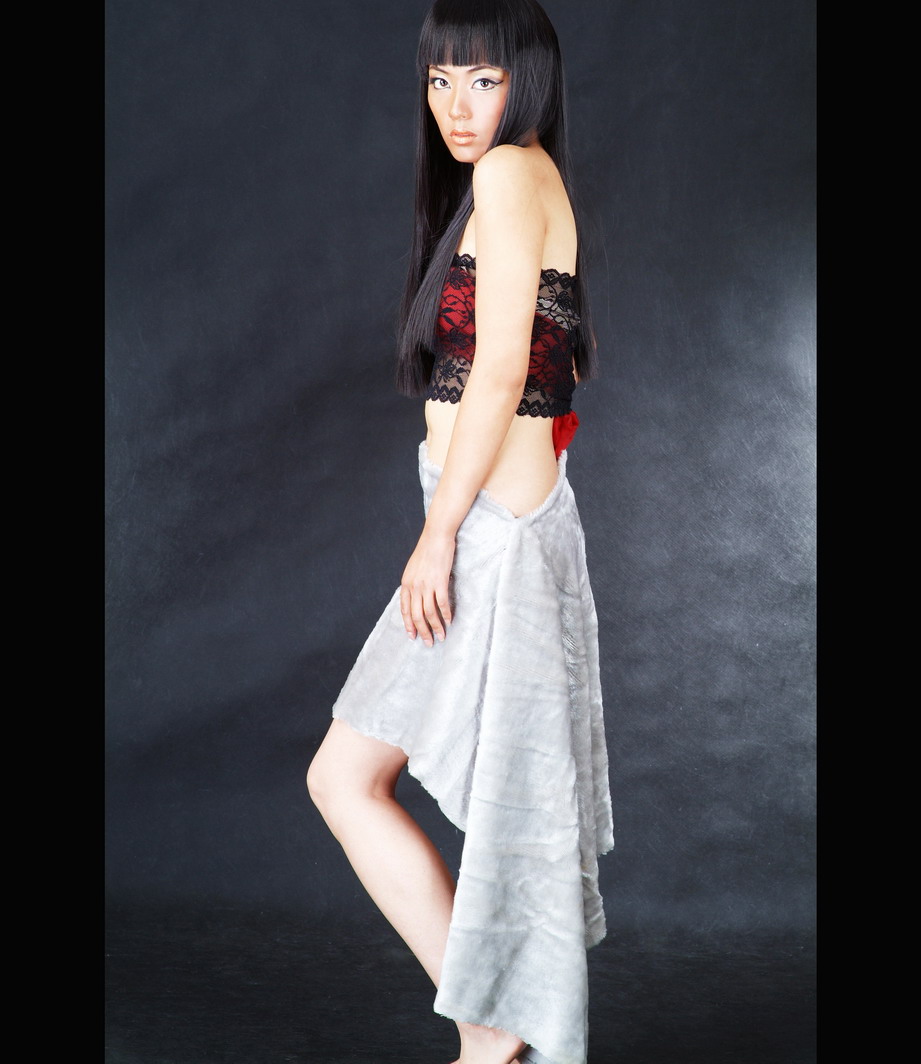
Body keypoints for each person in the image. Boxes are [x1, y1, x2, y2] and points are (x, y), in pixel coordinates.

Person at [306, 2, 614, 1062]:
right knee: (384, 783)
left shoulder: (513, 172)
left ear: (527, 80)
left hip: (487, 534)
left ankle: (495, 1036)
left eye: (482, 79)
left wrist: (437, 534)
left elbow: (500, 372)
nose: (456, 105)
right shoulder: (511, 181)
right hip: (492, 524)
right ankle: (493, 1033)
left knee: (348, 777)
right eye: (440, 80)